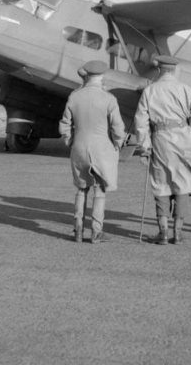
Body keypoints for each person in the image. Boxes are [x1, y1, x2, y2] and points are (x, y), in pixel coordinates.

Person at [134, 55, 191, 245]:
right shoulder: (186, 89)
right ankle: (177, 233)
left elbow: (141, 121)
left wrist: (144, 146)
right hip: (185, 139)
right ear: (174, 70)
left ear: (159, 70)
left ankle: (163, 233)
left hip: (161, 140)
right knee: (183, 183)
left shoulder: (149, 90)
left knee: (161, 183)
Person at [60, 60, 126, 244]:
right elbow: (118, 127)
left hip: (79, 146)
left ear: (87, 75)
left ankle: (78, 229)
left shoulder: (74, 96)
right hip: (101, 149)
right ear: (102, 76)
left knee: (81, 188)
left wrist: (69, 141)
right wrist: (118, 144)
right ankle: (96, 232)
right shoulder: (109, 99)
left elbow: (65, 124)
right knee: (100, 190)